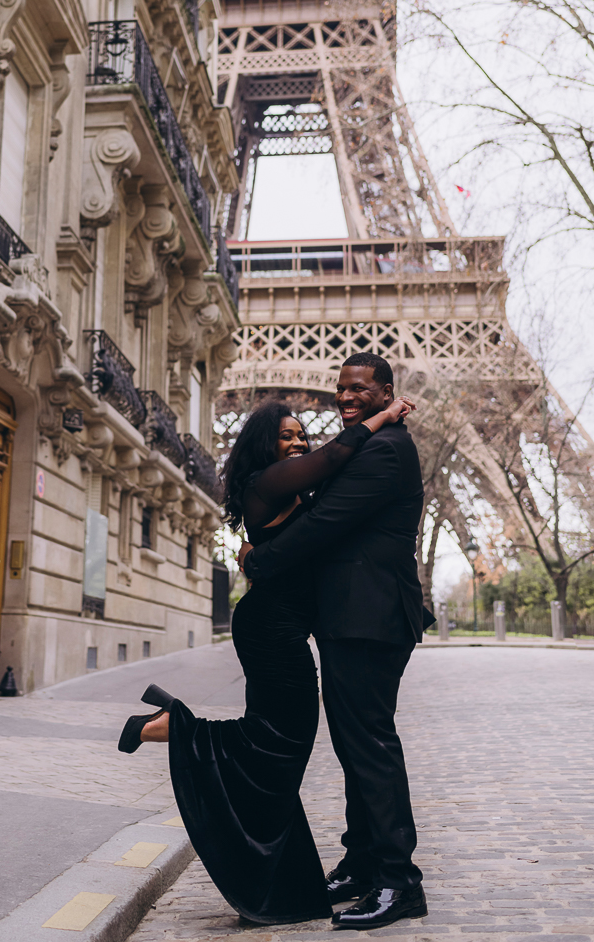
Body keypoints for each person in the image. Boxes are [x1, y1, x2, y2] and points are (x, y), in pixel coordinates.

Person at [117, 391, 414, 925]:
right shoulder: (267, 483)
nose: (299, 442)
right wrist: (381, 417)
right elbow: (331, 459)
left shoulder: (291, 483)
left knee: (276, 749)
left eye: (302, 435)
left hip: (280, 630)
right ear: (263, 443)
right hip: (272, 632)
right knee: (276, 748)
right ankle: (175, 728)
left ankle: (281, 882)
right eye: (287, 435)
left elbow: (329, 482)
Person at [239, 353, 429, 931]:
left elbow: (325, 524)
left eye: (360, 390)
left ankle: (400, 881)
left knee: (368, 744)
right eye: (341, 388)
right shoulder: (365, 442)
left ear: (388, 391)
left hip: (370, 616)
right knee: (353, 743)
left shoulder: (387, 448)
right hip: (353, 616)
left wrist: (262, 561)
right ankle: (364, 861)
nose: (346, 397)